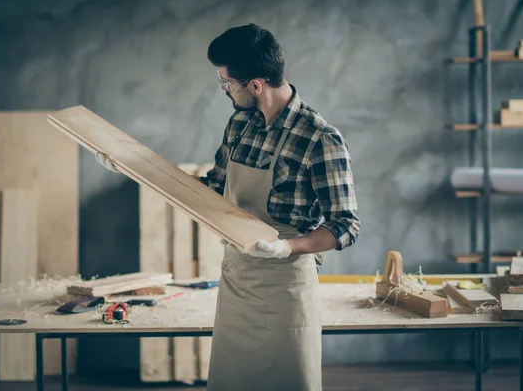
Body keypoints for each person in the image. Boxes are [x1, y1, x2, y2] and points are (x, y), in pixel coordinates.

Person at [96, 23, 360, 391]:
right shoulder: (241, 124)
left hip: (286, 288)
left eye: (226, 84)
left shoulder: (320, 138)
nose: (225, 91)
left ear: (255, 85)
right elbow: (211, 190)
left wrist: (288, 247)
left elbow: (346, 225)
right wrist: (137, 169)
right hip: (238, 281)